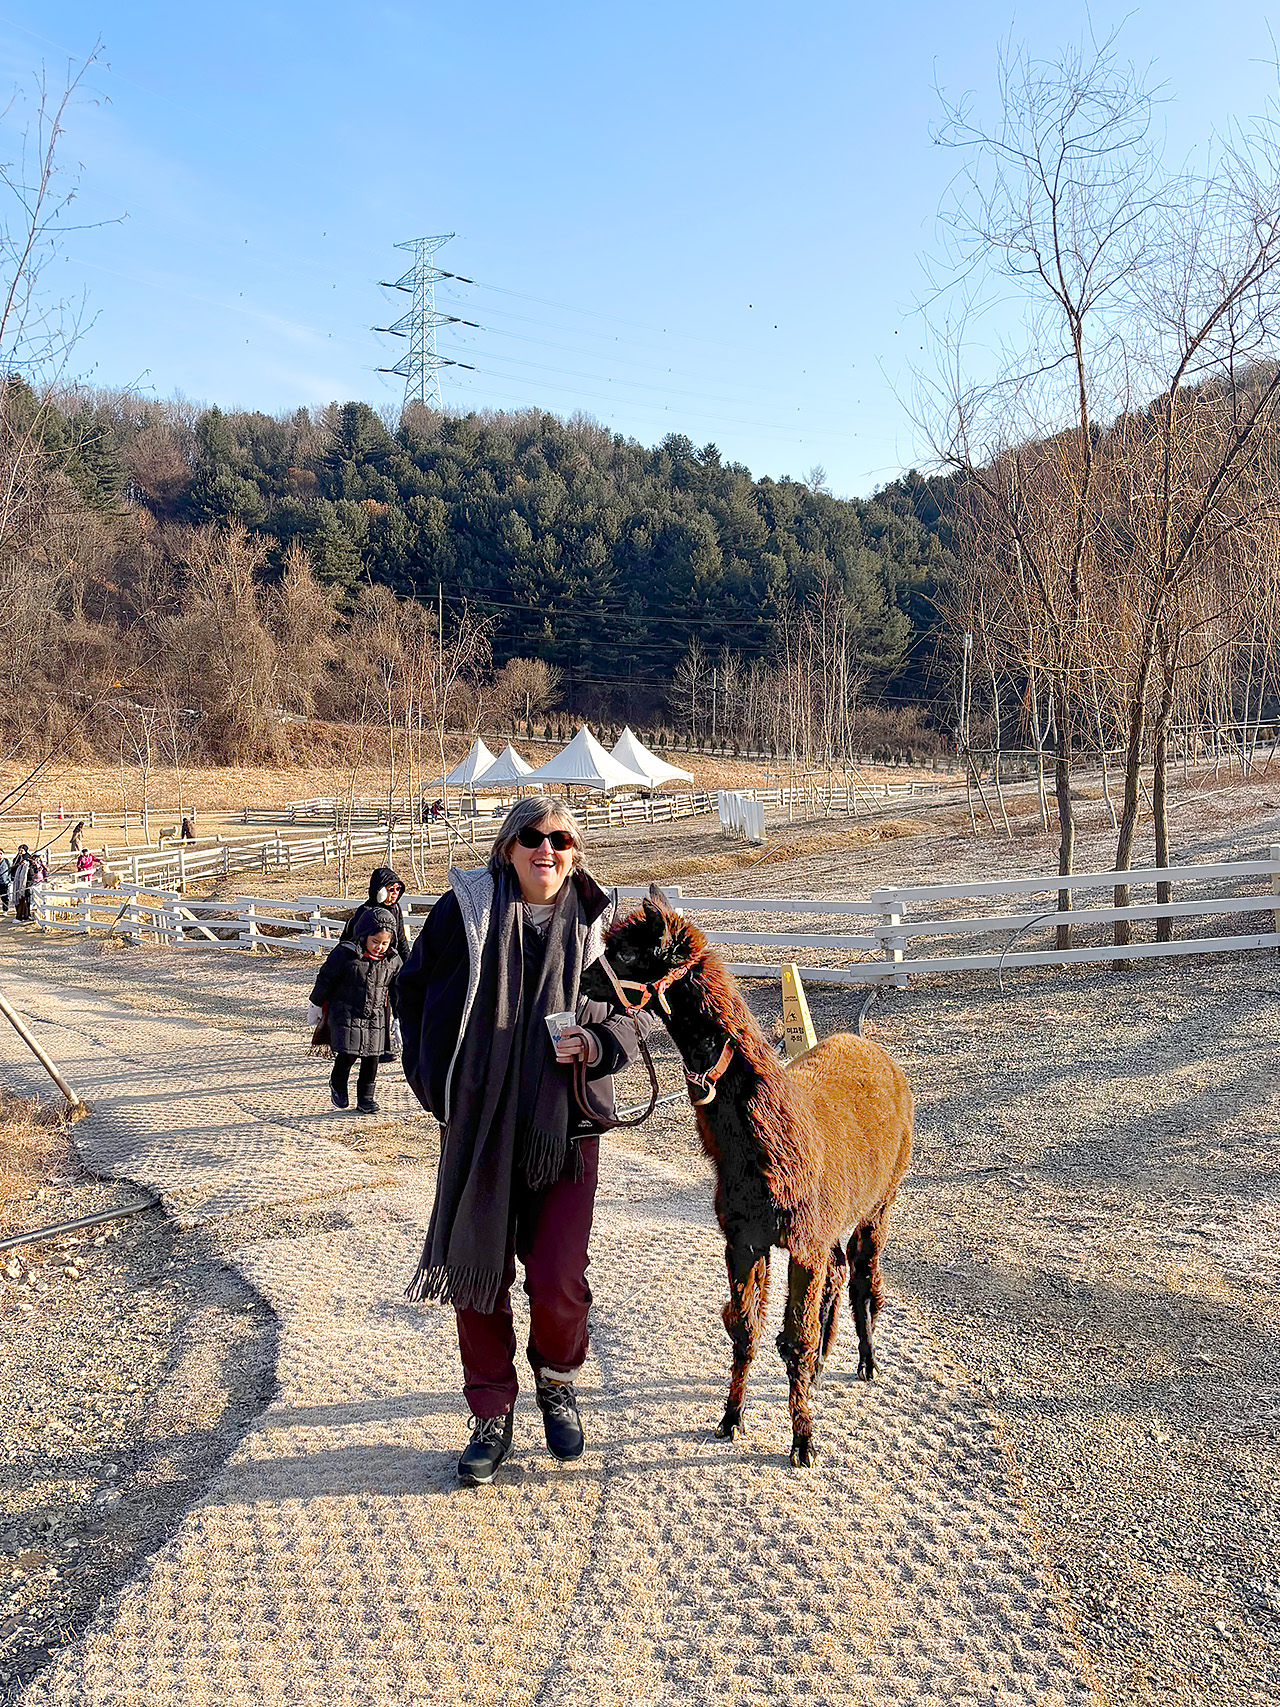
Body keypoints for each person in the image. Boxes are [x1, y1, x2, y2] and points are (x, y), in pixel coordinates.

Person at [398, 794, 657, 1487]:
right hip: (480, 1127)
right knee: (478, 1273)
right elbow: (411, 990)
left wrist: (598, 1043)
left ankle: (556, 1380)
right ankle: (491, 1412)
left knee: (558, 1278)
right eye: (534, 838)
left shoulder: (598, 923)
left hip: (568, 1129)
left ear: (575, 852)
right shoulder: (468, 910)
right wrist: (438, 1084)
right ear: (508, 847)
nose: (549, 850)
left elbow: (634, 1018)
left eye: (562, 840)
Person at [308, 904, 402, 1114]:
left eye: (384, 943)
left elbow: (398, 989)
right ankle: (338, 1083)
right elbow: (325, 978)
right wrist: (315, 1003)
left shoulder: (393, 960)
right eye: (375, 941)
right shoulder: (346, 954)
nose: (379, 947)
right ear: (364, 935)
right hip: (346, 1011)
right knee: (349, 1054)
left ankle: (366, 1098)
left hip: (376, 1014)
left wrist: (399, 1017)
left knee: (373, 1057)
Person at [339, 867, 411, 963]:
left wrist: (408, 964)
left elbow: (401, 940)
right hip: (366, 963)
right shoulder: (365, 911)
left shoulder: (396, 908)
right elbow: (356, 943)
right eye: (391, 889)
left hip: (389, 962)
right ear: (381, 891)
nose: (395, 893)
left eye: (398, 889)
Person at [11, 846, 31, 922]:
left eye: (21, 850)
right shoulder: (16, 858)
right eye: (19, 850)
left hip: (25, 883)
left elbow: (31, 871)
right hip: (17, 881)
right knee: (18, 899)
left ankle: (25, 915)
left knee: (24, 900)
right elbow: (13, 868)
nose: (20, 852)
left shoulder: (28, 858)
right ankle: (19, 914)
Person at [0, 849, 10, 913]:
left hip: (4, 882)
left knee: (4, 897)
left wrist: (9, 880)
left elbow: (11, 870)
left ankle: (5, 910)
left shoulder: (7, 862)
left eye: (1, 853)